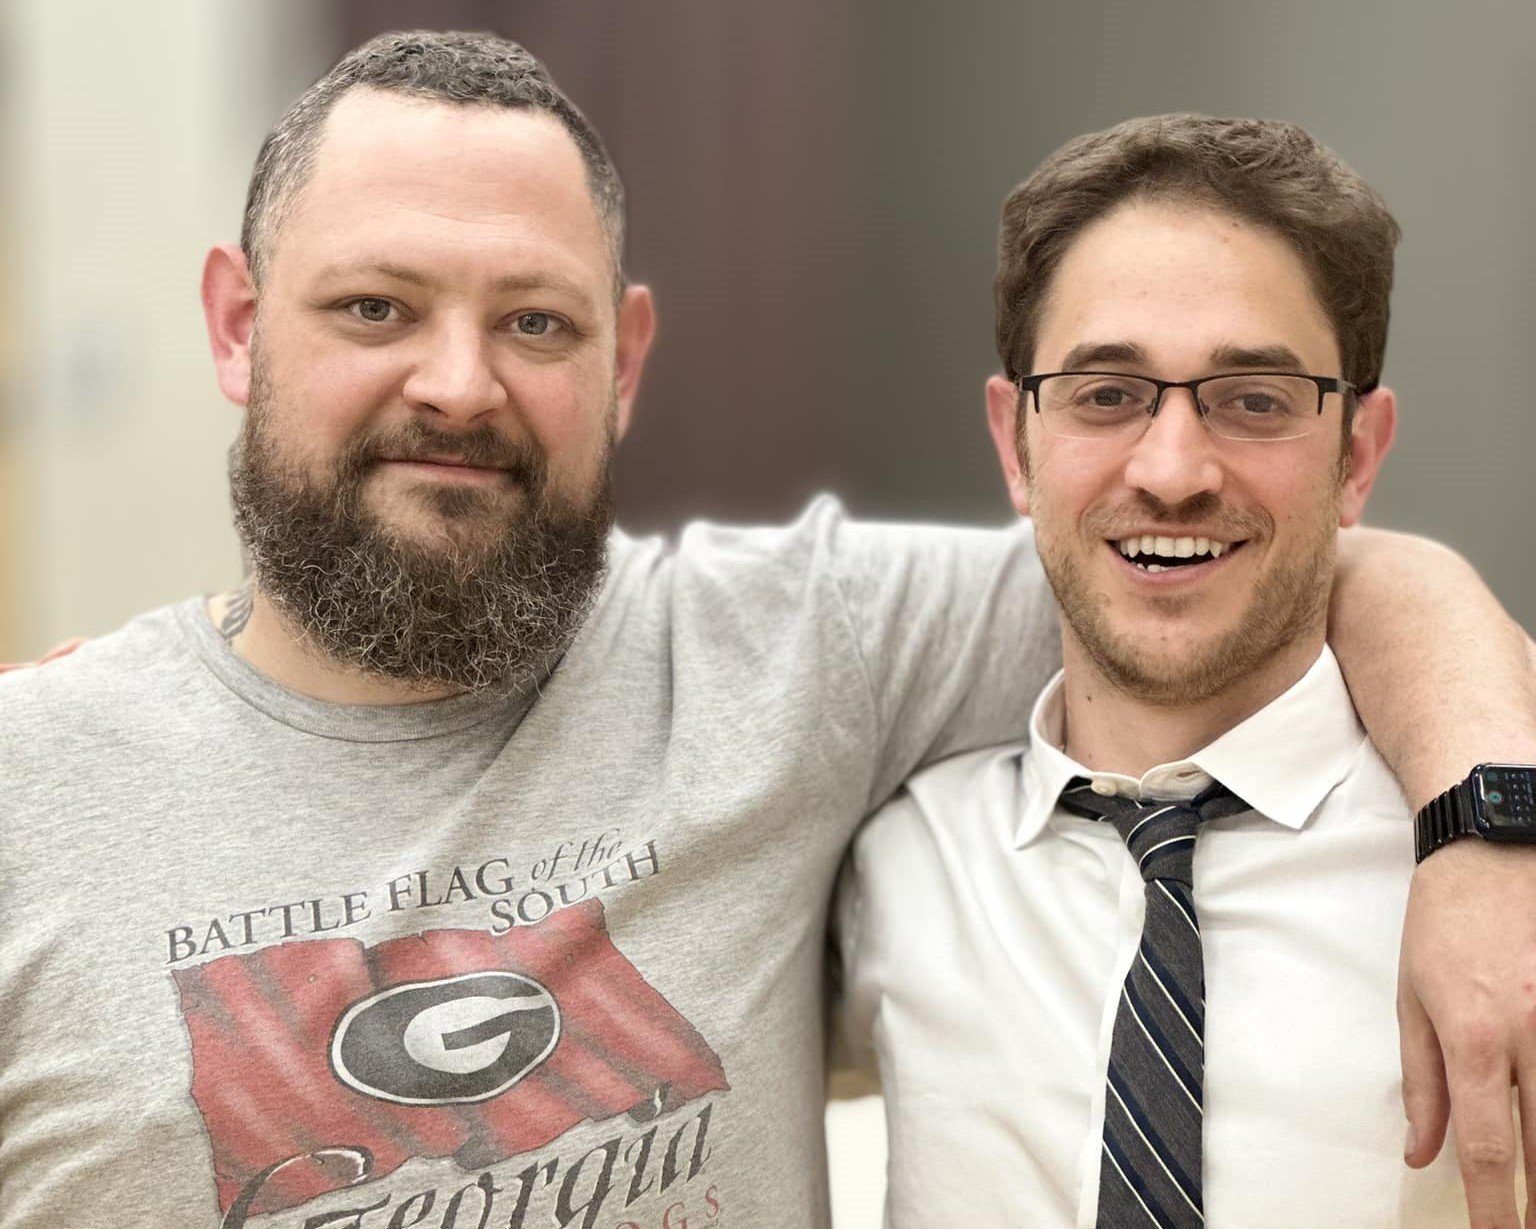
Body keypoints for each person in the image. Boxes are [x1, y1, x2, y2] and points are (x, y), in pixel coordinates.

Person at [0, 32, 1532, 1229]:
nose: (459, 383)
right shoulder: (30, 790)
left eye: (535, 321)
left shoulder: (796, 651)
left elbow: (1308, 565)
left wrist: (1487, 832)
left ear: (624, 361)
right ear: (238, 324)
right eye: (375, 308)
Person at [836, 114, 1517, 1226]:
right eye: (1107, 393)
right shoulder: (898, 865)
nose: (1172, 470)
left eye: (1255, 400)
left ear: (1357, 455)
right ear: (1015, 443)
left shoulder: (1497, 896)